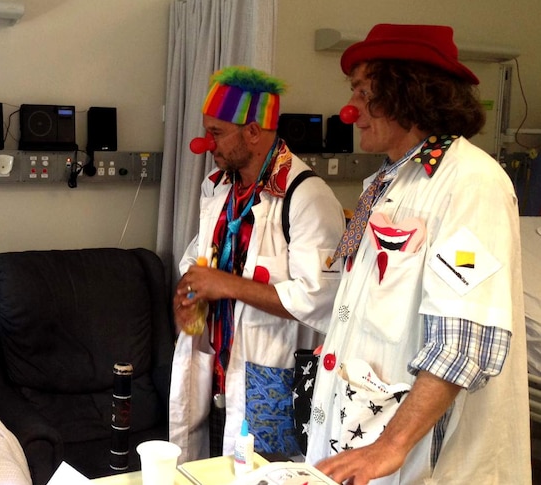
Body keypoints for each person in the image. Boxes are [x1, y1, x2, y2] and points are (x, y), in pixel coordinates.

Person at [305, 24, 531, 484]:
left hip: (426, 462)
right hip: (359, 436)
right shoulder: (380, 186)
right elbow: (349, 297)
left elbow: (463, 342)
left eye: (366, 93)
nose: (352, 112)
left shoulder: (472, 185)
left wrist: (388, 447)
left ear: (409, 93)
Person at [169, 66, 346, 462]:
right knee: (206, 470)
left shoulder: (307, 197)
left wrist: (225, 285)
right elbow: (198, 258)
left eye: (215, 133)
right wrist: (187, 292)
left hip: (270, 379)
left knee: (262, 473)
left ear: (252, 131)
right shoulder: (219, 186)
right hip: (215, 373)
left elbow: (320, 298)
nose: (205, 143)